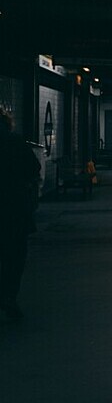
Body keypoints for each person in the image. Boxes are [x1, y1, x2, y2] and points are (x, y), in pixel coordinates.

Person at [0, 108, 41, 321]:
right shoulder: (15, 142)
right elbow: (34, 169)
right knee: (14, 256)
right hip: (14, 209)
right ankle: (8, 296)